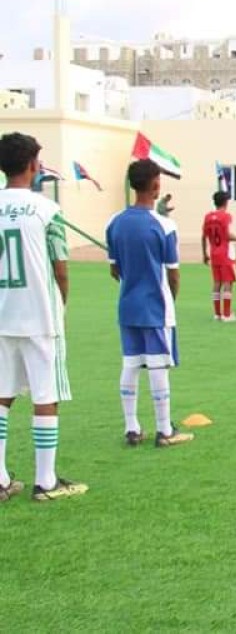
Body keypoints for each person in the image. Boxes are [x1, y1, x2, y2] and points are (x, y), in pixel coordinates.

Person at [0, 132, 87, 501]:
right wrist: (61, 306)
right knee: (45, 395)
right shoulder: (47, 210)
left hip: (2, 314)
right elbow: (61, 270)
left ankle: (1, 479)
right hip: (39, 316)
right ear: (34, 165)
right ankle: (46, 482)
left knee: (2, 396)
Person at [107, 159, 195, 451]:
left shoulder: (114, 222)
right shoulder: (165, 225)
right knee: (158, 365)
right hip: (155, 306)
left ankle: (132, 427)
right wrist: (169, 298)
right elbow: (173, 273)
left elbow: (114, 269)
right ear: (156, 185)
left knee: (130, 363)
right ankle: (164, 428)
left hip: (126, 304)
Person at [202, 191, 236, 322]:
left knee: (217, 283)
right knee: (228, 282)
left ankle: (217, 314)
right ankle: (227, 314)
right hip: (226, 253)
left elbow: (203, 236)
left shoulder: (208, 217)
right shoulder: (226, 216)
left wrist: (204, 253)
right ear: (226, 202)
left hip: (214, 252)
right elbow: (227, 235)